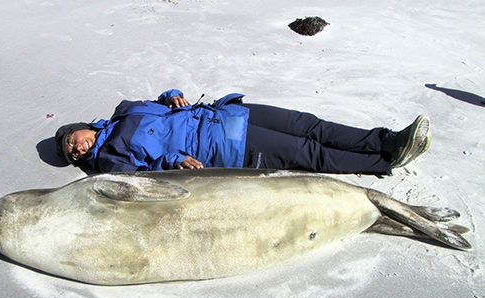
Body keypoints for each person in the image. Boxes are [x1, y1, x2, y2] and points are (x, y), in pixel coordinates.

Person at [55, 89, 431, 175]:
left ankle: (386, 139)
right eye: (73, 153)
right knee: (309, 154)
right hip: (228, 147)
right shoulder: (108, 160)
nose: (77, 148)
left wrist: (172, 95)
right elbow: (143, 179)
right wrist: (172, 159)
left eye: (73, 140)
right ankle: (382, 161)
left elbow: (160, 100)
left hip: (229, 114)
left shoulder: (124, 111)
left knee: (311, 125)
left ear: (82, 127)